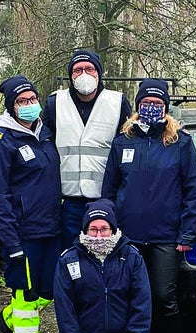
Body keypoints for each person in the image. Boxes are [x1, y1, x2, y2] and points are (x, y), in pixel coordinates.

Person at [102, 78, 196, 333]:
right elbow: (109, 191)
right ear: (137, 106)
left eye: (157, 103)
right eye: (146, 103)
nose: (151, 108)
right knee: (134, 298)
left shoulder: (180, 143)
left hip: (166, 238)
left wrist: (187, 234)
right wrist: (110, 231)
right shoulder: (123, 142)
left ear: (165, 107)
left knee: (163, 298)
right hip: (129, 237)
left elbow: (193, 191)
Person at [0, 75, 63, 333]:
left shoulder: (45, 133)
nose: (29, 104)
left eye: (32, 99)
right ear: (11, 106)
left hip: (50, 227)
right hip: (22, 231)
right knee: (26, 293)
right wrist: (11, 240)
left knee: (48, 291)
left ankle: (6, 320)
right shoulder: (1, 141)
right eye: (21, 101)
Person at [54, 199, 151, 333]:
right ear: (84, 230)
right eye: (93, 229)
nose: (99, 235)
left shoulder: (132, 257)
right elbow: (65, 316)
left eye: (104, 228)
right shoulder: (68, 260)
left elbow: (142, 304)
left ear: (113, 229)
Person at [44, 50, 133, 248]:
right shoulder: (55, 103)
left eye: (89, 69)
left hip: (105, 198)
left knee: (103, 254)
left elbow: (127, 148)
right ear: (70, 75)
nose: (84, 74)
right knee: (70, 254)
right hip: (67, 200)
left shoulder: (117, 102)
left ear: (99, 73)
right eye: (78, 70)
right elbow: (44, 147)